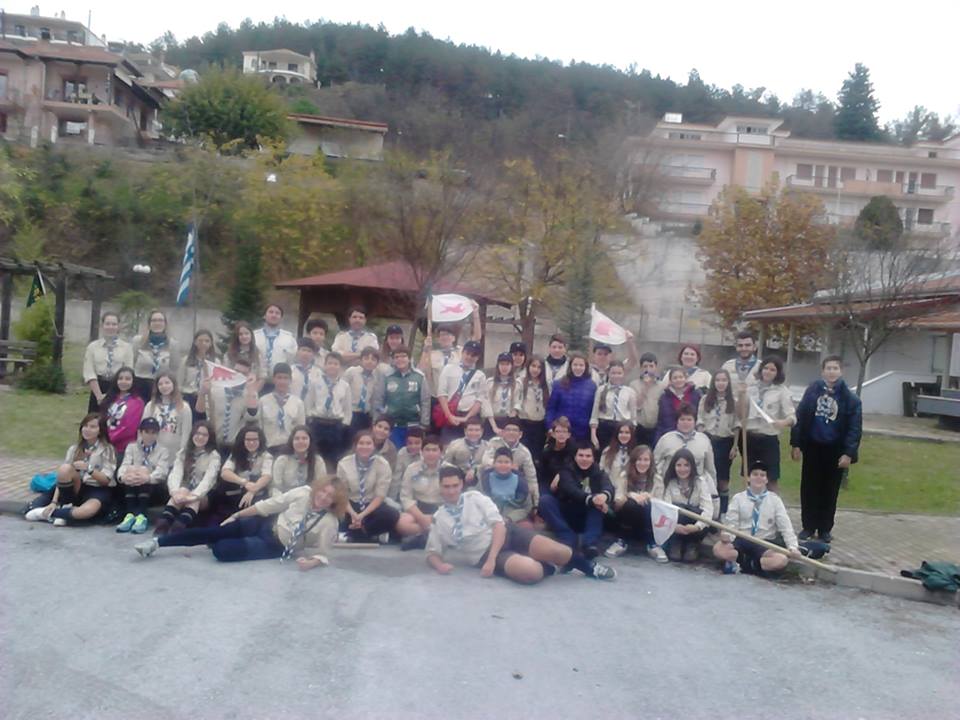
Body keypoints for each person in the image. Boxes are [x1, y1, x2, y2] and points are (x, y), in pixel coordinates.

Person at [426, 467, 615, 582]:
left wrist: (492, 559)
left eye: (455, 485)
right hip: (483, 555)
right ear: (440, 486)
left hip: (507, 534)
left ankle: (589, 567)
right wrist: (440, 566)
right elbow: (432, 553)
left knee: (559, 551)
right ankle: (548, 566)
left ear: (461, 485)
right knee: (530, 573)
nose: (451, 491)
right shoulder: (439, 518)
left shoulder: (474, 497)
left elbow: (499, 526)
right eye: (446, 486)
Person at [135, 477, 348, 569]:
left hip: (274, 545)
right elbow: (268, 506)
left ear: (335, 501)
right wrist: (237, 516)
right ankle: (157, 543)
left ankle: (216, 541)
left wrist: (311, 563)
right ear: (318, 487)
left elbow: (323, 553)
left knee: (222, 550)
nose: (323, 497)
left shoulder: (329, 522)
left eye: (330, 496)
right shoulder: (303, 493)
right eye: (323, 491)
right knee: (214, 531)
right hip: (264, 525)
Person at [791, 355, 862, 543]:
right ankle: (808, 526)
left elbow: (854, 428)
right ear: (822, 371)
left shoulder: (850, 399)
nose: (832, 372)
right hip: (813, 447)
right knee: (809, 488)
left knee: (829, 490)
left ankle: (824, 528)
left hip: (835, 450)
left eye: (835, 368)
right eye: (828, 368)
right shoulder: (812, 392)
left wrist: (848, 453)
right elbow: (800, 417)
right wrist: (796, 443)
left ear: (841, 371)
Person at [25, 413, 117, 526]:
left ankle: (50, 514)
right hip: (74, 487)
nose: (87, 430)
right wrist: (54, 501)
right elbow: (62, 477)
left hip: (96, 488)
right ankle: (64, 509)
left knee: (87, 511)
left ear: (100, 430)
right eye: (85, 426)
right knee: (64, 469)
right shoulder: (74, 449)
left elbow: (105, 480)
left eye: (92, 427)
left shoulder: (107, 449)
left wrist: (89, 469)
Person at [713, 460, 801, 576]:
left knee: (781, 560)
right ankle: (743, 560)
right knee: (718, 549)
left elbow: (786, 527)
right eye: (755, 474)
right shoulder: (738, 498)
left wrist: (793, 547)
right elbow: (731, 523)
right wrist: (727, 536)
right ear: (748, 478)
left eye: (762, 475)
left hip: (764, 542)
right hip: (742, 539)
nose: (758, 478)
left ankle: (750, 565)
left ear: (766, 480)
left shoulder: (775, 500)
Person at [538, 443, 614, 558]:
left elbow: (608, 487)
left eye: (588, 456)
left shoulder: (599, 472)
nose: (584, 459)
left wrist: (604, 496)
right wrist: (592, 499)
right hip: (567, 511)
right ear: (575, 457)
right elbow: (571, 490)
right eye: (581, 455)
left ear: (593, 458)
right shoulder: (565, 471)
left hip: (588, 516)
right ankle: (567, 537)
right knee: (545, 501)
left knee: (599, 505)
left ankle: (589, 544)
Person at [654, 403, 719, 520]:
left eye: (689, 419)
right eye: (682, 419)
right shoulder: (666, 439)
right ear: (677, 421)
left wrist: (712, 490)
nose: (686, 423)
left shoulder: (704, 440)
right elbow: (655, 464)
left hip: (696, 490)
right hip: (670, 489)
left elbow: (710, 468)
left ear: (695, 421)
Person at [605, 445, 668, 562]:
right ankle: (621, 541)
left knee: (648, 503)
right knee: (631, 504)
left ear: (651, 462)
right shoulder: (624, 476)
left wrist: (649, 496)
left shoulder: (657, 479)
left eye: (646, 460)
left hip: (648, 520)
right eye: (639, 459)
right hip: (626, 517)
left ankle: (652, 544)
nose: (642, 463)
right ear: (633, 461)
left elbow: (662, 506)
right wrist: (630, 495)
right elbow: (617, 503)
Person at [157, 420, 221, 535]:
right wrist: (174, 492)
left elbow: (208, 481)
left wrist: (194, 495)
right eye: (198, 433)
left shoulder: (214, 456)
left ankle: (178, 528)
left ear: (210, 438)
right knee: (182, 489)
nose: (200, 437)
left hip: (206, 494)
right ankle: (163, 526)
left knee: (194, 500)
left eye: (204, 435)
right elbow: (175, 473)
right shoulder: (183, 452)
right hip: (185, 490)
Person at [741, 356, 795, 490]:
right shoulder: (750, 389)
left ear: (778, 373)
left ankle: (773, 503)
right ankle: (750, 503)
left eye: (772, 370)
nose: (768, 372)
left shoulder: (782, 391)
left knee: (771, 480)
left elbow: (792, 417)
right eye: (765, 368)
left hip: (768, 439)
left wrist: (783, 422)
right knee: (749, 479)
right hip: (750, 438)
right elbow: (741, 412)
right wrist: (741, 395)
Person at [336, 430, 399, 542]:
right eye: (361, 443)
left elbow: (380, 496)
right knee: (333, 512)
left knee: (392, 515)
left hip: (371, 505)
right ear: (355, 446)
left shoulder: (382, 464)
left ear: (374, 446)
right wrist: (353, 514)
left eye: (368, 443)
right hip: (350, 504)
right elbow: (342, 493)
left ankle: (353, 534)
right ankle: (368, 535)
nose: (364, 447)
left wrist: (361, 516)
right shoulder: (344, 463)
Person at [652, 448, 713, 563]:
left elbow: (708, 509)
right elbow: (665, 509)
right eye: (679, 465)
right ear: (674, 466)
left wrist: (696, 527)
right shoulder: (670, 483)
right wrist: (674, 527)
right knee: (676, 510)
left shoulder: (700, 482)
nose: (682, 469)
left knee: (703, 518)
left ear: (692, 466)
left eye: (686, 465)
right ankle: (676, 543)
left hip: (694, 524)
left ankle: (692, 544)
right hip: (676, 525)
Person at [115, 417, 170, 534]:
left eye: (153, 433)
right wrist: (123, 477)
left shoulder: (163, 451)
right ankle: (130, 515)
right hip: (133, 483)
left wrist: (147, 477)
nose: (150, 436)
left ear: (157, 434)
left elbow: (162, 471)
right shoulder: (132, 447)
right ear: (140, 432)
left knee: (143, 471)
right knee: (131, 470)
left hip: (154, 488)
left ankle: (141, 515)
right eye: (146, 432)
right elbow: (125, 465)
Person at [418, 305, 482, 405]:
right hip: (436, 399)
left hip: (456, 398)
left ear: (454, 338)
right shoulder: (432, 354)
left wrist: (475, 314)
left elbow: (476, 338)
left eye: (448, 334)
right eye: (442, 335)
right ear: (438, 339)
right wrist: (425, 350)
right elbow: (420, 371)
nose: (445, 337)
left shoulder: (461, 352)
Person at [395, 435, 450, 548]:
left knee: (452, 524)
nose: (431, 453)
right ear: (421, 452)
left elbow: (453, 498)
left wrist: (435, 517)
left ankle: (422, 538)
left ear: (441, 453)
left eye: (434, 450)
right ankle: (434, 537)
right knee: (402, 523)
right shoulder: (412, 469)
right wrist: (421, 518)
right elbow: (406, 498)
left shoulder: (449, 470)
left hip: (441, 509)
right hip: (418, 508)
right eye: (427, 450)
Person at [698, 369, 739, 515]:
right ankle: (708, 511)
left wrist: (735, 446)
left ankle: (722, 513)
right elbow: (700, 420)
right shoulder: (705, 400)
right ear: (713, 382)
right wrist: (701, 439)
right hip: (708, 440)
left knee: (722, 478)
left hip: (725, 442)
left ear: (728, 383)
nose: (720, 383)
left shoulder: (733, 402)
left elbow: (736, 425)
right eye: (718, 380)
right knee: (708, 477)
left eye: (724, 380)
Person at [372, 346, 429, 449]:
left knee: (411, 452)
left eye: (403, 356)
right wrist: (376, 421)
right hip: (392, 425)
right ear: (393, 360)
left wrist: (424, 423)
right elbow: (378, 399)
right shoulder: (387, 376)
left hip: (413, 424)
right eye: (397, 357)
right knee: (393, 451)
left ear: (410, 359)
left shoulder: (419, 376)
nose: (400, 359)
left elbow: (425, 401)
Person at [197, 358, 260, 449]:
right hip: (212, 441)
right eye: (237, 372)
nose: (239, 376)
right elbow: (200, 412)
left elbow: (252, 416)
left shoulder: (250, 395)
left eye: (243, 374)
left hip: (235, 445)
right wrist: (202, 394)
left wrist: (251, 389)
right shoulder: (215, 389)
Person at [304, 351, 353, 470]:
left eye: (336, 364)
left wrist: (344, 424)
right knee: (315, 455)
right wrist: (310, 418)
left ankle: (331, 477)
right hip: (318, 423)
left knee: (334, 457)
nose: (332, 366)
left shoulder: (345, 386)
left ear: (340, 367)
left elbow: (347, 409)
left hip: (336, 425)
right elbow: (308, 402)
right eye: (330, 363)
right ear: (325, 365)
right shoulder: (315, 382)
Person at [214, 425, 274, 518]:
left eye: (255, 440)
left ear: (260, 441)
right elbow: (225, 473)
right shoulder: (236, 454)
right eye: (248, 440)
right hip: (236, 494)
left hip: (257, 496)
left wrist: (252, 491)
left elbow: (267, 476)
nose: (251, 443)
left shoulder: (266, 456)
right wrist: (244, 482)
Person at [436, 340, 486, 444]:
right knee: (448, 447)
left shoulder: (480, 375)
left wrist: (467, 418)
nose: (469, 357)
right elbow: (441, 393)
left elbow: (479, 399)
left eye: (474, 355)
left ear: (478, 358)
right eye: (467, 353)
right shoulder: (448, 368)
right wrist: (449, 415)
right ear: (462, 353)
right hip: (450, 414)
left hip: (470, 418)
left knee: (469, 447)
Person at [83, 311, 133, 413]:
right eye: (107, 324)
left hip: (118, 386)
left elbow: (129, 371)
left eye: (114, 324)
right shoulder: (93, 347)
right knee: (95, 419)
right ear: (102, 326)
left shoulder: (127, 348)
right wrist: (99, 396)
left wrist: (119, 395)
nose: (111, 327)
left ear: (118, 326)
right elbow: (89, 372)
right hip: (98, 387)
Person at [545, 353, 597, 445]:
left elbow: (593, 410)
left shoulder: (592, 386)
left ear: (586, 367)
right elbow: (551, 408)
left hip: (583, 432)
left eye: (581, 365)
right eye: (575, 365)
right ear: (570, 366)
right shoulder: (559, 384)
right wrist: (549, 426)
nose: (578, 368)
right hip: (561, 431)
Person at [131, 310, 181, 401]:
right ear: (149, 324)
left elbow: (174, 369)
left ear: (165, 324)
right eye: (154, 320)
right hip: (140, 385)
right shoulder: (138, 341)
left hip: (162, 387)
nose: (157, 323)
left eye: (160, 320)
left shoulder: (173, 344)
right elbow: (132, 363)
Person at [142, 371, 193, 459]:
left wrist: (182, 454)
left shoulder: (184, 407)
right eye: (160, 384)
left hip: (174, 454)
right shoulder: (151, 406)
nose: (164, 386)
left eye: (167, 383)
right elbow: (142, 430)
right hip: (153, 453)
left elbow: (186, 433)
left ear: (174, 384)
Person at [590, 360, 638, 451]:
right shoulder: (601, 390)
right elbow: (594, 414)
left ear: (623, 374)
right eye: (613, 373)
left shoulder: (630, 392)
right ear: (608, 373)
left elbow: (633, 418)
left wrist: (631, 434)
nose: (616, 376)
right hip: (604, 427)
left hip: (622, 428)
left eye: (619, 373)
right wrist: (593, 435)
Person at [258, 363, 305, 455]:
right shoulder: (263, 401)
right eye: (279, 378)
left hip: (290, 449)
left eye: (285, 378)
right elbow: (259, 428)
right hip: (269, 449)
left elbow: (301, 430)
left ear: (290, 380)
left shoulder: (298, 403)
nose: (282, 381)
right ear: (273, 379)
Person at [479, 446, 533, 524]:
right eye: (499, 462)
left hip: (512, 519)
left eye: (506, 462)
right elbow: (478, 502)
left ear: (512, 464)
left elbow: (526, 507)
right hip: (489, 517)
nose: (503, 465)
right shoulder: (485, 479)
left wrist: (509, 518)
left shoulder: (521, 482)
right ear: (494, 463)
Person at [100, 366, 145, 460]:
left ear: (133, 381)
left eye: (127, 379)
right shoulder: (110, 398)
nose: (123, 381)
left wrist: (111, 438)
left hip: (124, 448)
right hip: (105, 445)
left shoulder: (137, 402)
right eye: (120, 378)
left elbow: (130, 427)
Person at [269, 425, 324, 496]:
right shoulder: (282, 460)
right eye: (297, 439)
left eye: (304, 438)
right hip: (285, 498)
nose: (300, 441)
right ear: (291, 441)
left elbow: (321, 485)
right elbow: (276, 487)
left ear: (310, 441)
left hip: (308, 498)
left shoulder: (318, 461)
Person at [514, 355, 549, 465]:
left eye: (539, 367)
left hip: (540, 424)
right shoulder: (521, 382)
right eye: (533, 366)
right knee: (523, 453)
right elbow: (517, 402)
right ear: (528, 366)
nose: (535, 370)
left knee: (537, 455)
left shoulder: (546, 384)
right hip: (524, 423)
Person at [178, 329, 218, 421]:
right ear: (195, 342)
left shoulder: (215, 362)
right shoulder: (186, 360)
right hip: (189, 396)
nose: (203, 343)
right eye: (200, 340)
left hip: (206, 399)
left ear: (211, 343)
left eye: (207, 341)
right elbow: (179, 382)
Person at [655, 366, 700, 444]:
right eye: (675, 378)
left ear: (685, 378)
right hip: (669, 436)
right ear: (670, 381)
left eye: (681, 377)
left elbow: (698, 416)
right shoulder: (664, 398)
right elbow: (661, 421)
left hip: (691, 436)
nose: (678, 380)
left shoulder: (695, 394)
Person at [254, 303, 297, 382]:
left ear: (281, 318)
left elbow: (293, 361)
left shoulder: (289, 338)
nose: (274, 315)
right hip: (256, 381)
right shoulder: (254, 336)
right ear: (264, 316)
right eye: (271, 312)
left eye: (277, 313)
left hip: (279, 383)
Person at [343, 347, 380, 435]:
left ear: (377, 363)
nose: (369, 362)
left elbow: (373, 398)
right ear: (360, 360)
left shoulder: (376, 377)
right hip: (351, 412)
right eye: (366, 358)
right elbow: (342, 390)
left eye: (373, 359)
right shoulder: (352, 372)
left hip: (365, 415)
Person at [630, 352, 663, 448]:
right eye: (645, 366)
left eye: (651, 366)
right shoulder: (634, 385)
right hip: (639, 427)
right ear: (641, 368)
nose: (648, 369)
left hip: (656, 428)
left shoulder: (661, 386)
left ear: (656, 368)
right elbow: (636, 406)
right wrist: (646, 387)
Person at [443, 416, 488, 487]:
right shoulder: (455, 444)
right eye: (470, 430)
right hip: (457, 479)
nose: (473, 433)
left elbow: (490, 465)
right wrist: (460, 471)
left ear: (482, 431)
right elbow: (445, 464)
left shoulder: (488, 446)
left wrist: (475, 470)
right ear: (465, 431)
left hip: (480, 481)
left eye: (477, 430)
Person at [482, 352, 516, 438]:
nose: (504, 367)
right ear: (498, 365)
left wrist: (509, 426)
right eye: (502, 364)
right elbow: (486, 405)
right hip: (491, 422)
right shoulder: (489, 382)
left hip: (509, 422)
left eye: (507, 364)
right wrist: (494, 427)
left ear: (512, 366)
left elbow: (517, 404)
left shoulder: (517, 384)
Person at [540, 417, 575, 497]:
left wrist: (560, 475)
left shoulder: (574, 450)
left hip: (568, 484)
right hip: (549, 484)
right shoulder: (547, 451)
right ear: (553, 434)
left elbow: (573, 469)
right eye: (558, 431)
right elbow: (542, 474)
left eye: (564, 431)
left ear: (569, 435)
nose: (561, 434)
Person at [225, 321, 266, 386]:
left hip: (251, 388)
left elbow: (262, 375)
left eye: (247, 333)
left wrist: (255, 389)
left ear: (251, 335)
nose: (244, 336)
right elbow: (225, 372)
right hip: (233, 388)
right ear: (237, 337)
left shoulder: (258, 353)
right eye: (240, 334)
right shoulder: (230, 353)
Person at [391, 427, 423, 502]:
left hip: (421, 490)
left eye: (417, 443)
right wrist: (392, 499)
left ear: (422, 443)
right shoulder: (402, 453)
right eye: (410, 443)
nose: (413, 446)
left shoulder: (425, 454)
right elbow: (396, 478)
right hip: (404, 490)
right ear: (406, 443)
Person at [289, 337, 321, 402]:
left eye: (309, 351)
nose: (305, 353)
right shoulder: (289, 370)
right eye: (303, 350)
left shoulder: (318, 373)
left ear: (313, 354)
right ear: (297, 351)